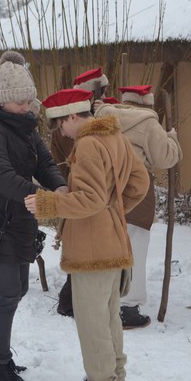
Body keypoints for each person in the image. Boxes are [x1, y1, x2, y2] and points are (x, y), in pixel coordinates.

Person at [25, 88, 149, 381]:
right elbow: (140, 183)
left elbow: (91, 198)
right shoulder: (115, 136)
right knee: (108, 316)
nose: (59, 132)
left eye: (59, 124)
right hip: (112, 241)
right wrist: (113, 210)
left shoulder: (89, 144)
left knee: (93, 320)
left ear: (72, 116)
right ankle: (113, 374)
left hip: (92, 248)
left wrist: (47, 202)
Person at [0, 50, 66, 381]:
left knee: (19, 289)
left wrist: (61, 187)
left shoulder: (25, 126)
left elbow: (44, 162)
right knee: (8, 293)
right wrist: (46, 199)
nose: (28, 106)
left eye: (30, 100)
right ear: (4, 100)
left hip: (21, 218)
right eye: (21, 102)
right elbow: (3, 178)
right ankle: (0, 367)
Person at [94, 84, 182, 329]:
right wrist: (171, 139)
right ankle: (127, 307)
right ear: (147, 103)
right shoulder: (148, 123)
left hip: (106, 187)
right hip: (137, 187)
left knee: (108, 244)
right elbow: (164, 158)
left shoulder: (103, 116)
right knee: (135, 246)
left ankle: (105, 301)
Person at [51, 67, 109, 317]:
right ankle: (71, 302)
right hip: (77, 191)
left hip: (81, 191)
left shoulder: (98, 123)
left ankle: (78, 300)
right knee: (81, 249)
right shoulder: (86, 128)